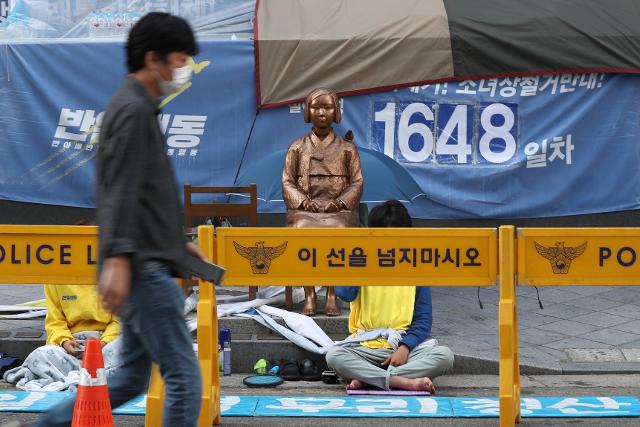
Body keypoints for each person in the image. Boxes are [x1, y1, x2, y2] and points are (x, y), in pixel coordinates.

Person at [34, 12, 207, 427]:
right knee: (185, 378)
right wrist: (115, 259)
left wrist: (174, 243)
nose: (183, 70)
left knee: (129, 378)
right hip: (142, 270)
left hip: (145, 261)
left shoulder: (137, 107)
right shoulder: (131, 110)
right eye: (179, 60)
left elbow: (142, 193)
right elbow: (118, 191)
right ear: (153, 59)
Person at [325, 200, 454, 392]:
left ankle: (369, 379)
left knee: (445, 356)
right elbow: (344, 293)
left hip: (402, 348)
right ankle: (403, 382)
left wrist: (405, 348)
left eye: (398, 235)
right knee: (334, 356)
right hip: (365, 346)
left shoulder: (416, 267)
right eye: (385, 235)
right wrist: (361, 260)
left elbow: (423, 321)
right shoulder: (360, 259)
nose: (392, 242)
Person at [282, 87, 364, 316]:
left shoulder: (348, 148)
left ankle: (331, 293)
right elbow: (287, 181)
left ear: (336, 112)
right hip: (306, 210)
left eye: (327, 107)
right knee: (301, 229)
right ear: (308, 111)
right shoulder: (297, 147)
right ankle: (309, 294)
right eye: (316, 107)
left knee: (338, 229)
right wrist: (304, 202)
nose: (321, 112)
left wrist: (338, 203)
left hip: (338, 211)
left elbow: (357, 182)